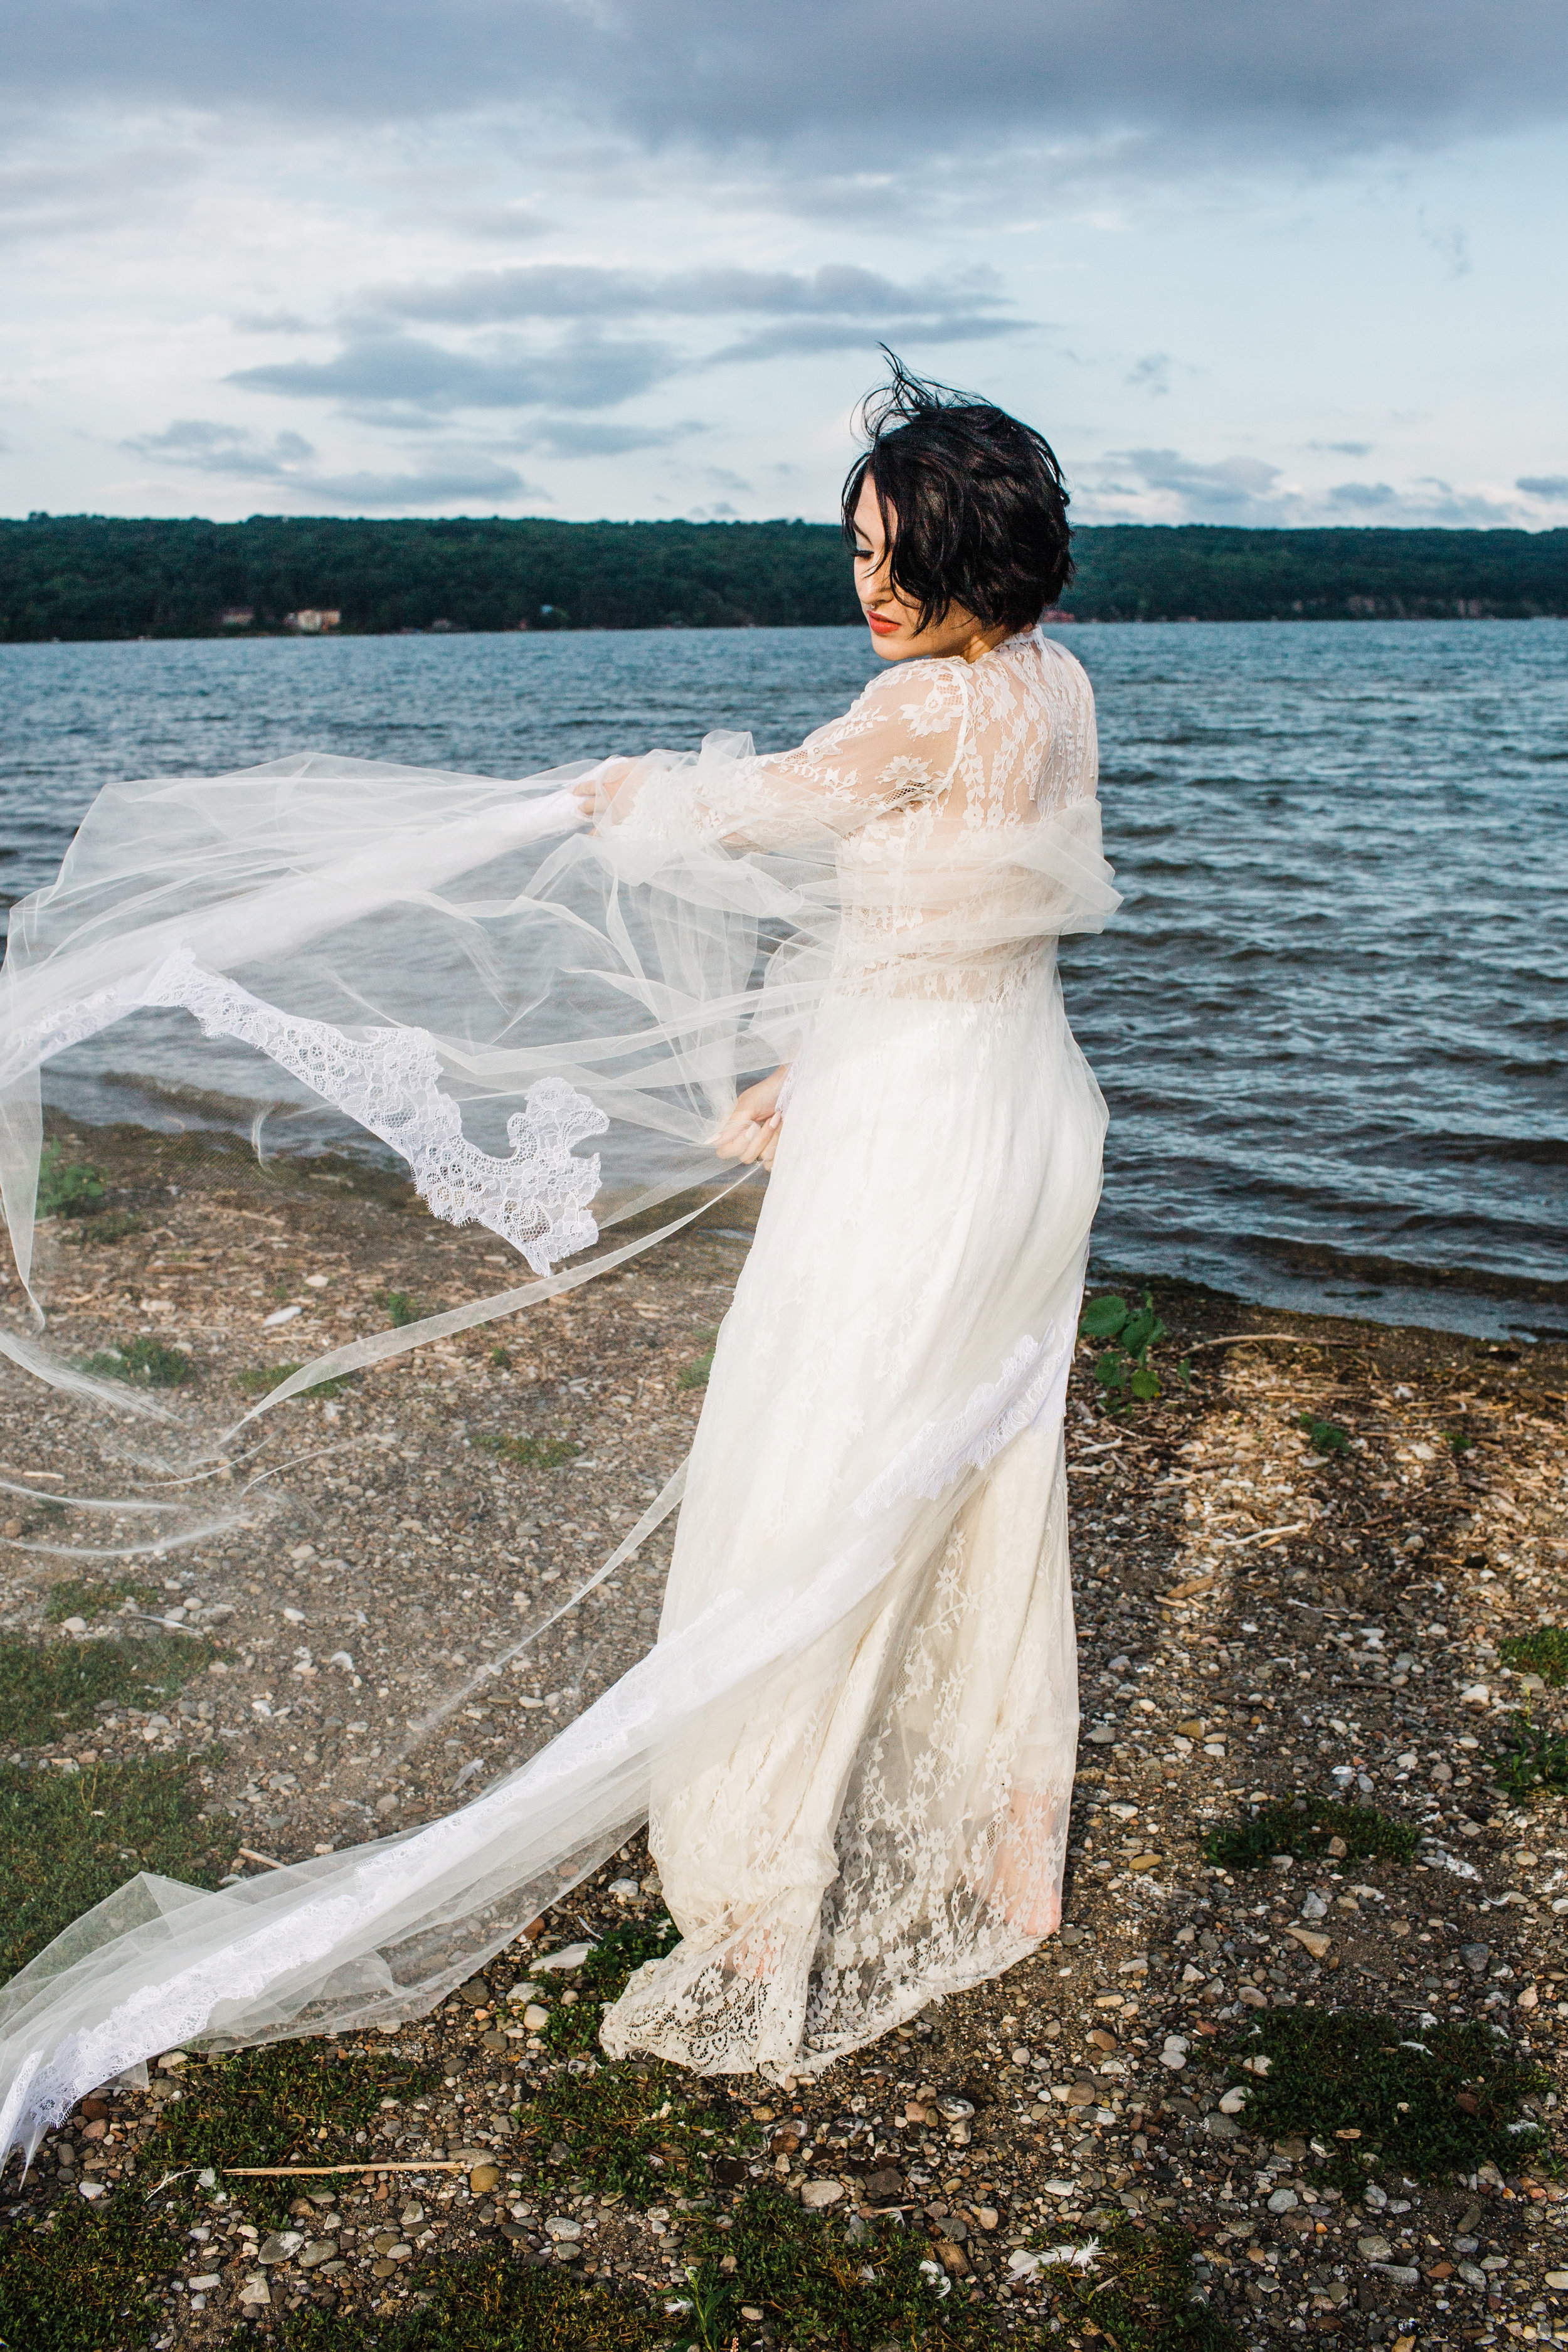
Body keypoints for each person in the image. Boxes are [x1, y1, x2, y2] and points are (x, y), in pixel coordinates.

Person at [0, 358, 1116, 2166]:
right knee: (983, 1475)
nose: (871, 587)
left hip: (920, 1142)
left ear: (978, 552)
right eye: (856, 551)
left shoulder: (907, 711)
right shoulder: (1055, 687)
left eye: (897, 555)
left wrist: (624, 796)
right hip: (1022, 1112)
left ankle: (757, 1897)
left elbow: (750, 821)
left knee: (806, 1477)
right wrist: (806, 1056)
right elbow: (962, 912)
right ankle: (1006, 1845)